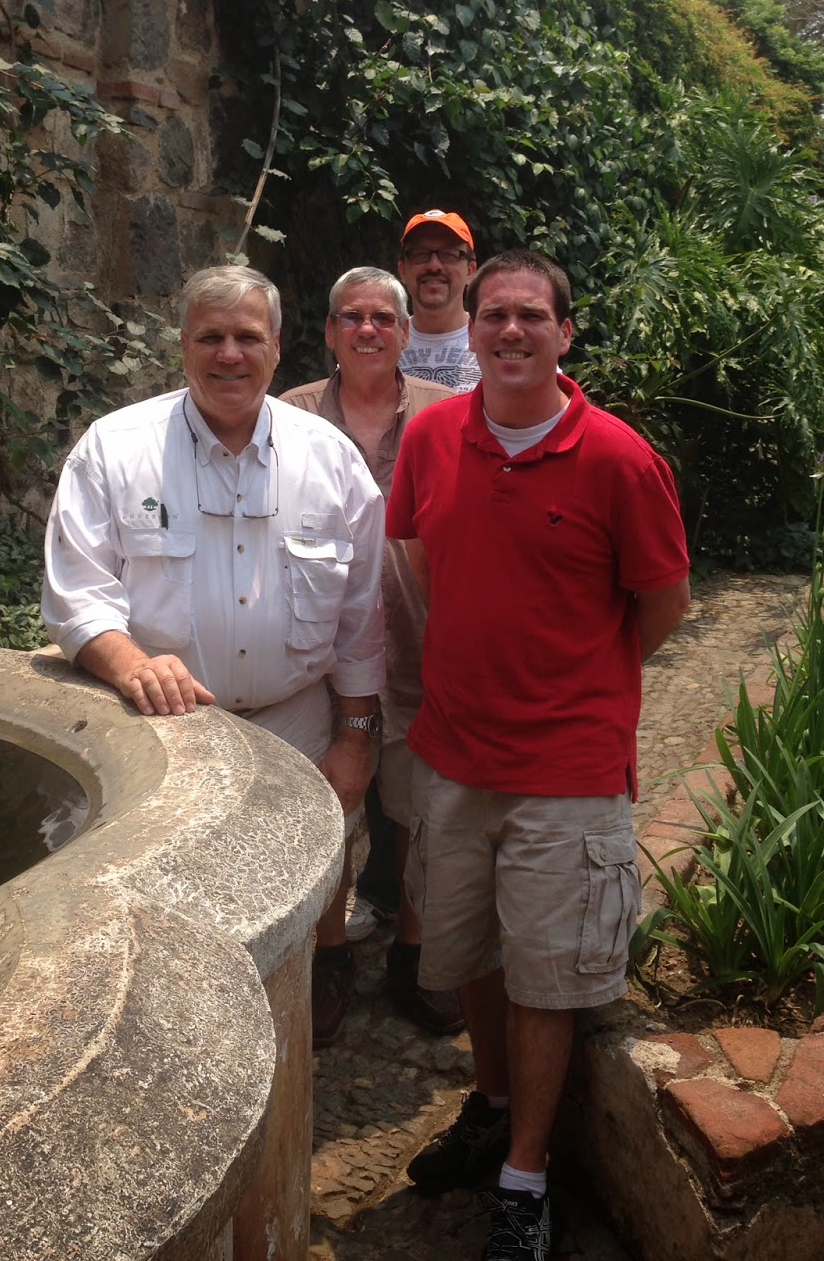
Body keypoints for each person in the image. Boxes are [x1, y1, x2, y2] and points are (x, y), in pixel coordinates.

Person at [387, 250, 691, 1259]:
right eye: (494, 315)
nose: (511, 331)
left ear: (565, 332)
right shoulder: (431, 437)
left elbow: (664, 602)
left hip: (568, 769)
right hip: (455, 754)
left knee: (547, 978)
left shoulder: (619, 459)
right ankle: (490, 1103)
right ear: (469, 330)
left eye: (531, 315)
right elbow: (422, 561)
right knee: (469, 952)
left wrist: (579, 682)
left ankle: (526, 1177)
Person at [41, 265, 387, 1047]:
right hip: (166, 726)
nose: (229, 354)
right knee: (173, 888)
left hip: (296, 717)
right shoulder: (115, 450)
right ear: (183, 346)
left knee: (317, 857)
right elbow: (77, 594)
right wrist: (130, 663)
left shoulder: (330, 459)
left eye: (247, 338)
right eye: (211, 337)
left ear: (277, 348)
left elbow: (362, 617)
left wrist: (358, 736)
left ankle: (327, 961)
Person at [281, 267, 464, 1038]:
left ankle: (414, 954)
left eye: (383, 318)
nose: (367, 329)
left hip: (422, 649)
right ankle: (329, 957)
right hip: (323, 657)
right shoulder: (289, 416)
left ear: (406, 333)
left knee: (425, 812)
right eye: (351, 317)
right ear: (329, 332)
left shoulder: (448, 413)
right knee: (326, 808)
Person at [397, 208, 481, 394]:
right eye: (420, 254)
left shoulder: (492, 340)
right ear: (403, 270)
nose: (434, 266)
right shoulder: (384, 343)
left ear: (470, 271)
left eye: (449, 254)